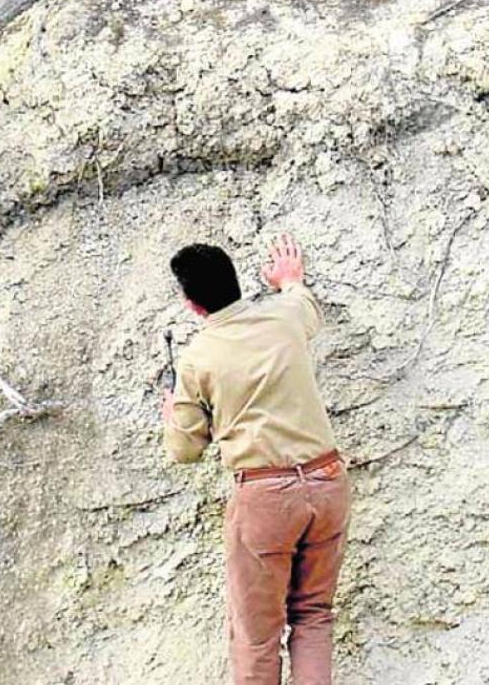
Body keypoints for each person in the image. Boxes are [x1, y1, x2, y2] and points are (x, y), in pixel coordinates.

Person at [159, 234, 350, 685]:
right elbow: (305, 305)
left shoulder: (197, 360)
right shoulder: (285, 318)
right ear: (237, 281)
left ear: (192, 305)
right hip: (327, 481)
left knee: (256, 636)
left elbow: (184, 450)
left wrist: (172, 416)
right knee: (313, 616)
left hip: (266, 496)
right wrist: (290, 280)